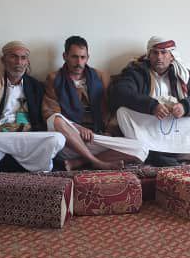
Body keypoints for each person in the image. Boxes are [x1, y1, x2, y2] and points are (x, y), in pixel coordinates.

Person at [42, 36, 147, 170]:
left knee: (142, 148)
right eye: (74, 57)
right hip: (70, 139)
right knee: (55, 120)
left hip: (97, 137)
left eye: (83, 57)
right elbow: (49, 113)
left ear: (88, 57)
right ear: (65, 56)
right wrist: (78, 128)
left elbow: (114, 108)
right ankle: (97, 161)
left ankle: (80, 162)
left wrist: (109, 131)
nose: (79, 62)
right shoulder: (54, 78)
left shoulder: (101, 77)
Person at [110, 36, 190, 166]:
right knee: (123, 112)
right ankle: (151, 153)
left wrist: (185, 107)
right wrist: (152, 106)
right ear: (149, 55)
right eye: (155, 53)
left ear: (172, 56)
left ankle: (170, 152)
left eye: (164, 52)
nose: (159, 57)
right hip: (149, 119)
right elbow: (121, 92)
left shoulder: (183, 74)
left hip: (175, 120)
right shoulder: (136, 71)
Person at [0, 41, 66, 172]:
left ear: (27, 62)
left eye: (23, 58)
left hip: (26, 137)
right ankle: (29, 164)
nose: (19, 62)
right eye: (14, 57)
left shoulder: (35, 86)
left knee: (57, 138)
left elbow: (41, 119)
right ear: (3, 60)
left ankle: (6, 161)